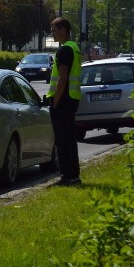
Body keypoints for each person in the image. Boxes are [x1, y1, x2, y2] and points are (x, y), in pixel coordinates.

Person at [47, 17, 82, 186]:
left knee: (62, 140)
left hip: (62, 100)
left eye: (54, 30)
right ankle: (73, 175)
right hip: (72, 99)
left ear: (62, 30)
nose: (52, 33)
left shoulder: (64, 51)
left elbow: (62, 78)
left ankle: (67, 176)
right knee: (69, 139)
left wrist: (55, 101)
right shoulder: (75, 48)